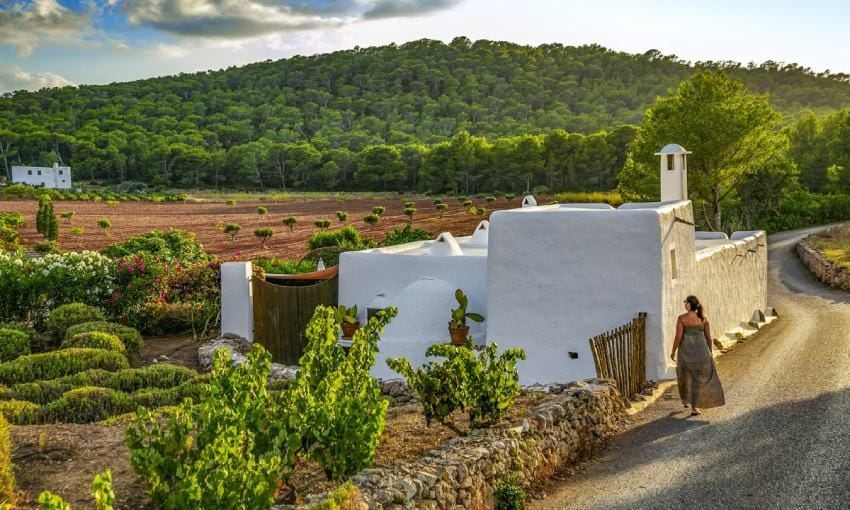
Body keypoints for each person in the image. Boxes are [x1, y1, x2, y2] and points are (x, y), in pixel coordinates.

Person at [670, 295, 725, 416]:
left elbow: (678, 337)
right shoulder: (704, 319)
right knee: (698, 379)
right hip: (702, 352)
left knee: (684, 375)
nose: (684, 304)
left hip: (685, 351)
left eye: (686, 302)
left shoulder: (682, 318)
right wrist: (709, 352)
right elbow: (708, 338)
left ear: (690, 304)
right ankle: (694, 407)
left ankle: (686, 400)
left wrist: (673, 351)